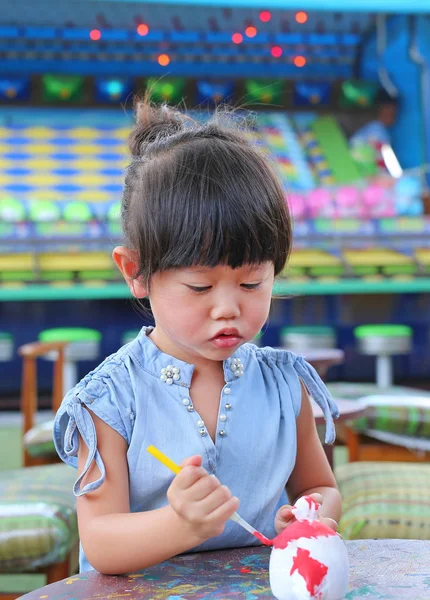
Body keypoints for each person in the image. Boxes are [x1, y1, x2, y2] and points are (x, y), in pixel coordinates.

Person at [53, 100, 341, 576]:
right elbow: (101, 542)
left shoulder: (283, 386)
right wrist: (180, 525)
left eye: (252, 283)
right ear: (136, 271)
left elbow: (322, 488)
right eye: (200, 286)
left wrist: (310, 516)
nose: (228, 307)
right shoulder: (109, 400)